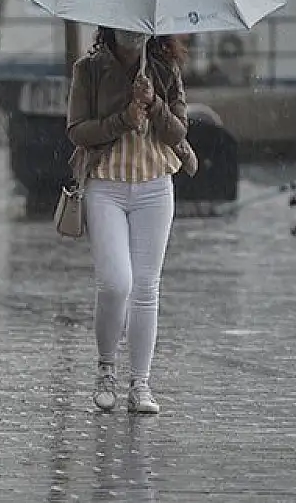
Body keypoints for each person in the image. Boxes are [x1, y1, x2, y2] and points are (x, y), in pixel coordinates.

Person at [65, 27, 197, 415]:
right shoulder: (88, 69)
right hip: (106, 184)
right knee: (114, 283)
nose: (131, 35)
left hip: (155, 185)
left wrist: (154, 104)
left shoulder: (165, 67)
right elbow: (77, 131)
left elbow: (179, 130)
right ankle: (106, 367)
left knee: (145, 287)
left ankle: (140, 382)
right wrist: (124, 118)